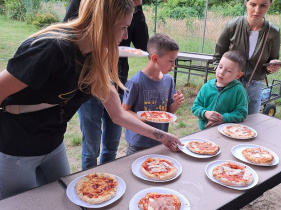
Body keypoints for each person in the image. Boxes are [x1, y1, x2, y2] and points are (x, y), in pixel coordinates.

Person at [0, 0, 182, 199]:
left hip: (54, 146)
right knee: (24, 204)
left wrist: (162, 136)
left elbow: (118, 114)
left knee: (65, 200)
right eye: (123, 27)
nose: (126, 36)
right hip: (16, 149)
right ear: (103, 23)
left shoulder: (95, 57)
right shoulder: (52, 48)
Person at [63, 0, 149, 169]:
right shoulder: (86, 3)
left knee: (111, 146)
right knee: (91, 148)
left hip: (117, 84)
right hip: (89, 85)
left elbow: (143, 45)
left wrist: (137, 7)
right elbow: (69, 37)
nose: (125, 35)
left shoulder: (129, 8)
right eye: (122, 28)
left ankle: (106, 182)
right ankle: (90, 185)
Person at [214, 0, 281, 115]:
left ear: (270, 4)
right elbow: (217, 56)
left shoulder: (273, 32)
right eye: (253, 4)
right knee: (222, 121)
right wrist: (222, 76)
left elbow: (271, 61)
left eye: (263, 5)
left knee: (250, 123)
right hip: (228, 84)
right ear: (246, 3)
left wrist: (272, 67)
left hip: (254, 86)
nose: (257, 10)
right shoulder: (232, 26)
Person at [122, 33, 185, 155]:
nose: (174, 65)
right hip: (137, 143)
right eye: (171, 61)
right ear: (155, 59)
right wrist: (143, 117)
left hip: (160, 141)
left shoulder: (169, 80)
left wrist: (177, 103)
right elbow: (124, 111)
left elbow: (169, 113)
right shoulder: (135, 83)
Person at [192, 50, 249, 130]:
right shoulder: (206, 87)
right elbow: (195, 107)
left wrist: (223, 118)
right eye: (220, 67)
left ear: (238, 75)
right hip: (205, 131)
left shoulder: (239, 91)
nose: (221, 72)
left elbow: (242, 113)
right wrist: (205, 113)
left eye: (228, 71)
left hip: (228, 131)